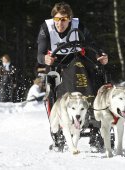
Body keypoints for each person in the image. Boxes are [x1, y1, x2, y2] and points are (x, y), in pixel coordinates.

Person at [37, 2, 109, 150]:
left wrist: (101, 55)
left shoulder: (79, 25)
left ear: (70, 19)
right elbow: (40, 53)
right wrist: (45, 59)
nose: (60, 23)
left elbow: (93, 44)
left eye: (63, 19)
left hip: (78, 61)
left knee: (96, 78)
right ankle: (57, 132)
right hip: (56, 64)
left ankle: (97, 131)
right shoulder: (46, 28)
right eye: (57, 19)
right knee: (51, 91)